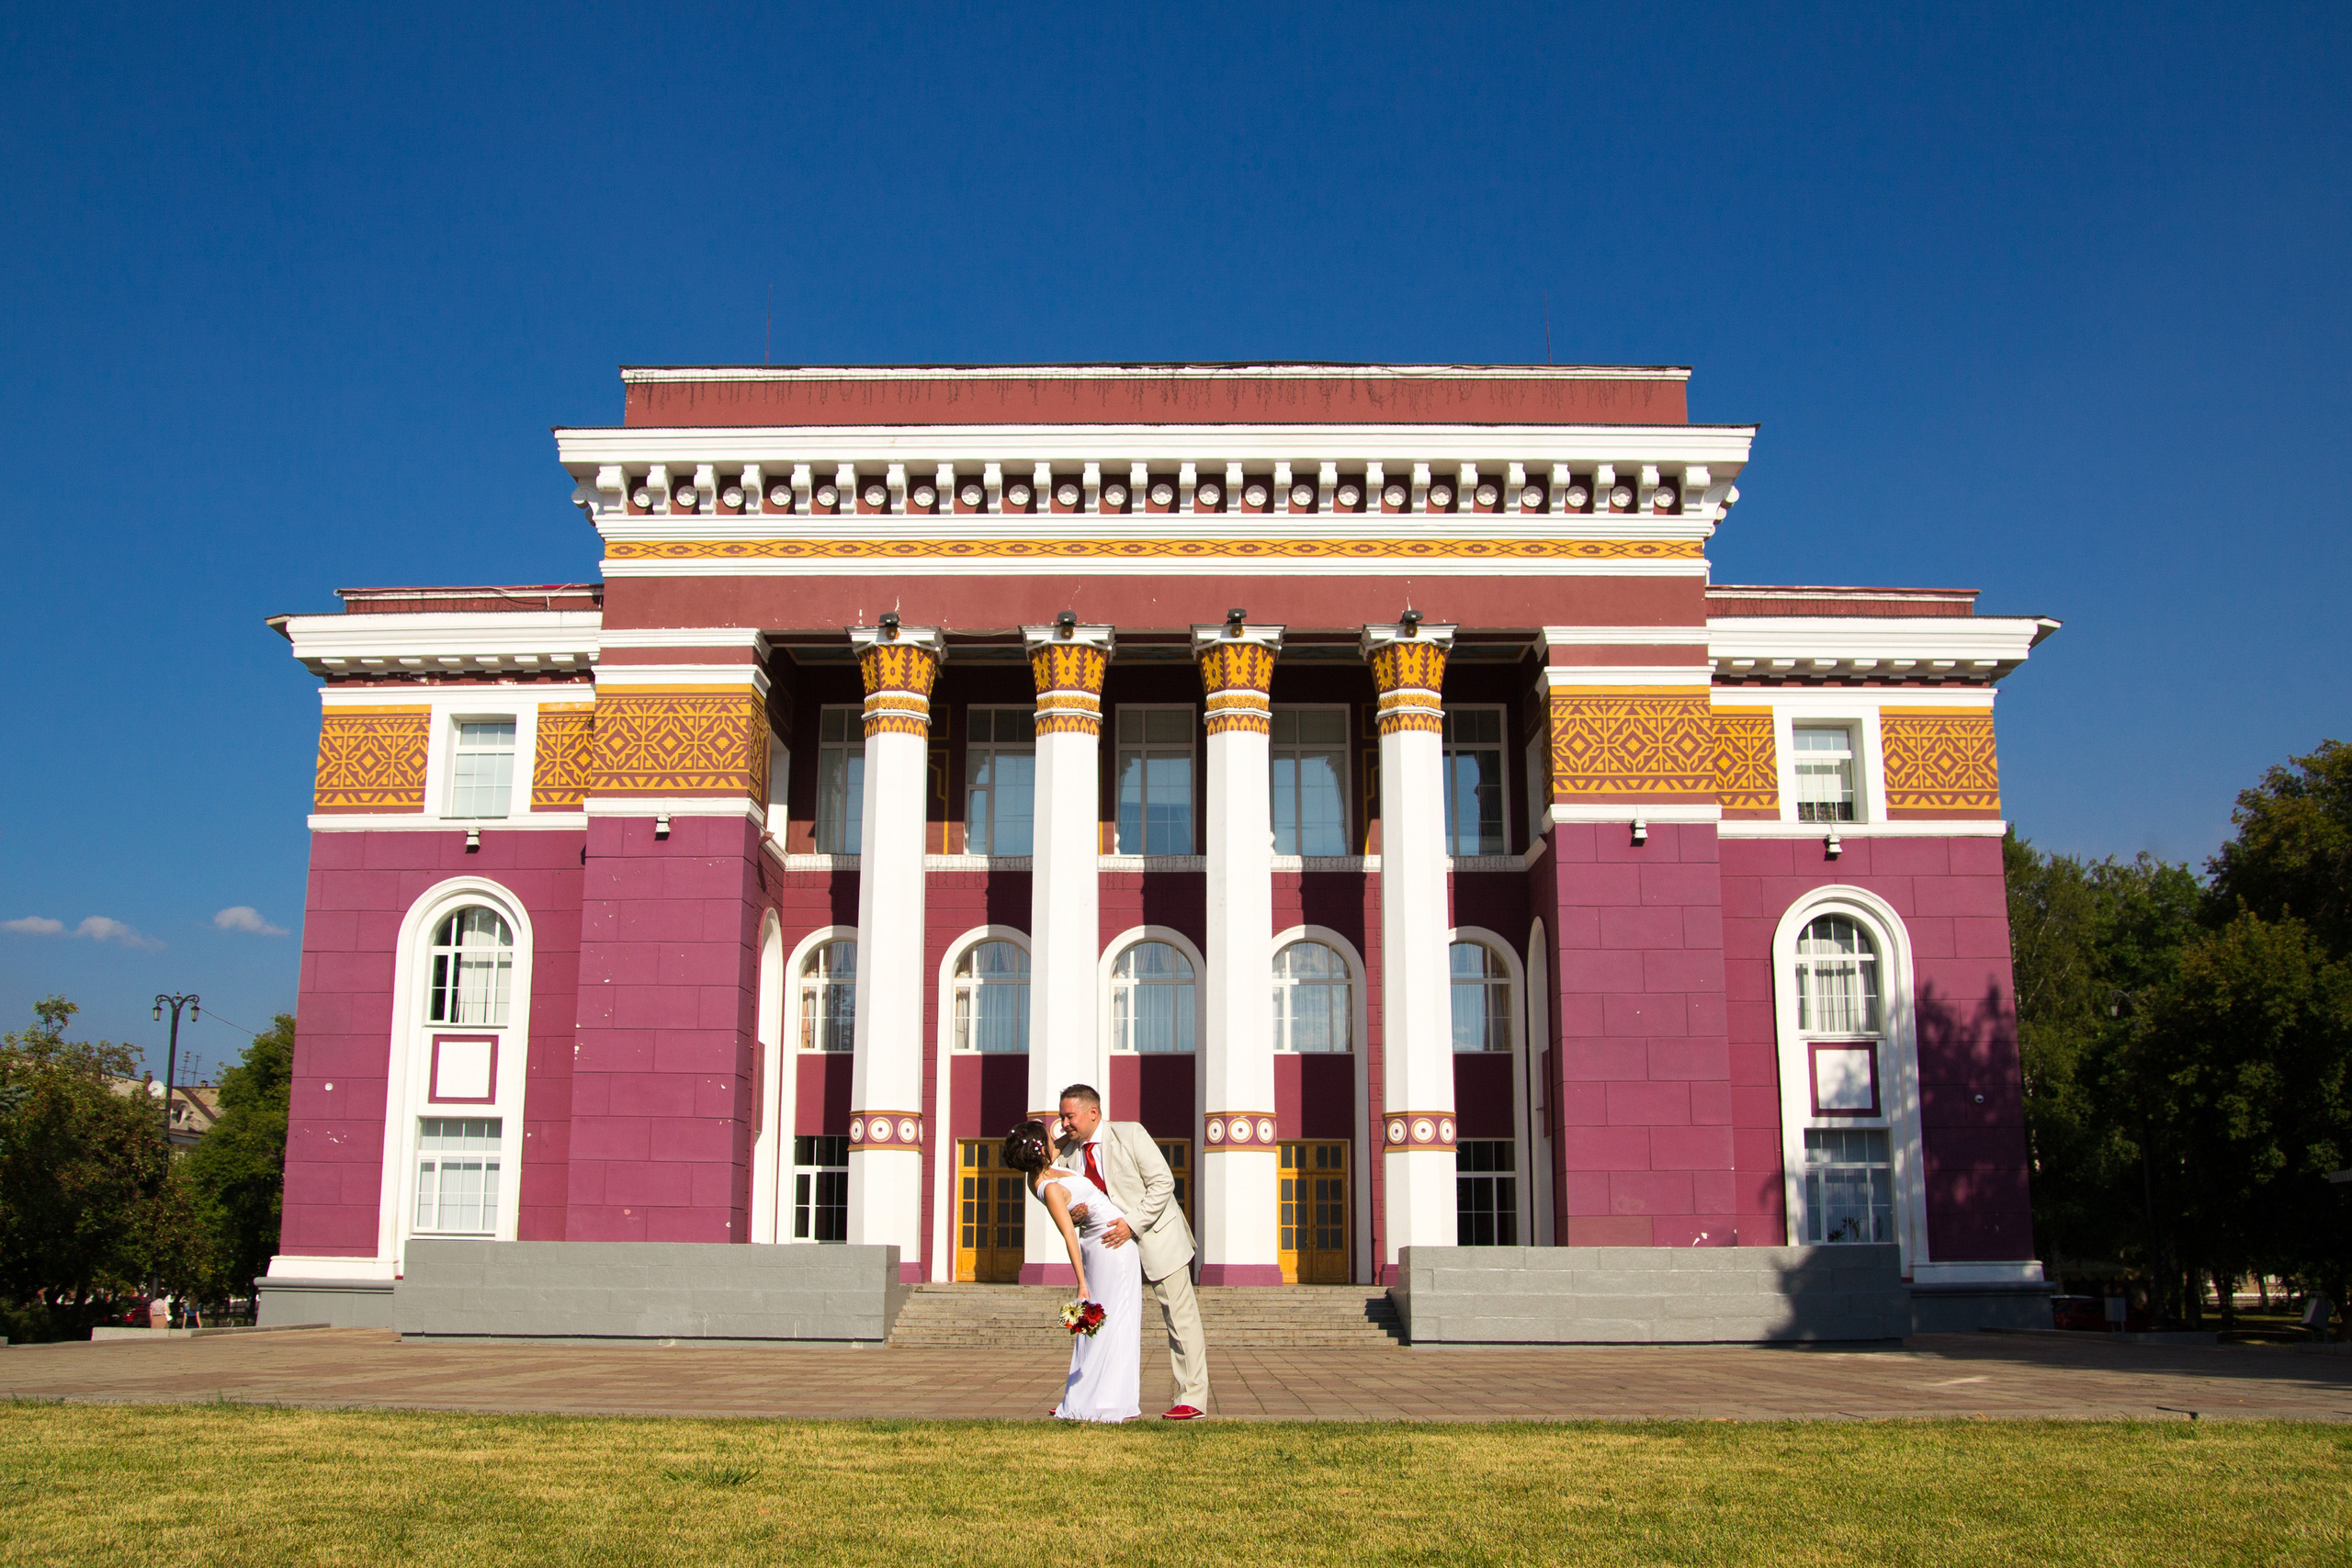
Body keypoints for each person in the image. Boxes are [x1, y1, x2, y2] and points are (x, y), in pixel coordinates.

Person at [1055, 1084, 1210, 1420]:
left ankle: (1192, 1398)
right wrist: (1075, 1214)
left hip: (1155, 1237)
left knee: (1180, 1320)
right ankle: (1082, 1396)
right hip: (1105, 1248)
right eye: (1061, 1116)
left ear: (1092, 1113)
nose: (1064, 1123)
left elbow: (1162, 1183)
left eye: (1070, 1116)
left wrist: (1132, 1224)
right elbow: (1063, 1199)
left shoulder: (1130, 1134)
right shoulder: (1067, 1154)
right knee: (1094, 1319)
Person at [1002, 1119, 1140, 1423]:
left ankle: (1106, 1396)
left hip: (1105, 1239)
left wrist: (1070, 1128)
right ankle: (1096, 1399)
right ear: (1040, 1151)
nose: (1056, 1143)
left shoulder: (1044, 1171)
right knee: (1109, 1322)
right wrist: (1081, 1284)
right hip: (1109, 1247)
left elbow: (1062, 1142)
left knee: (1116, 1321)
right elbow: (1068, 1236)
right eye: (1049, 1142)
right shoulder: (1049, 1187)